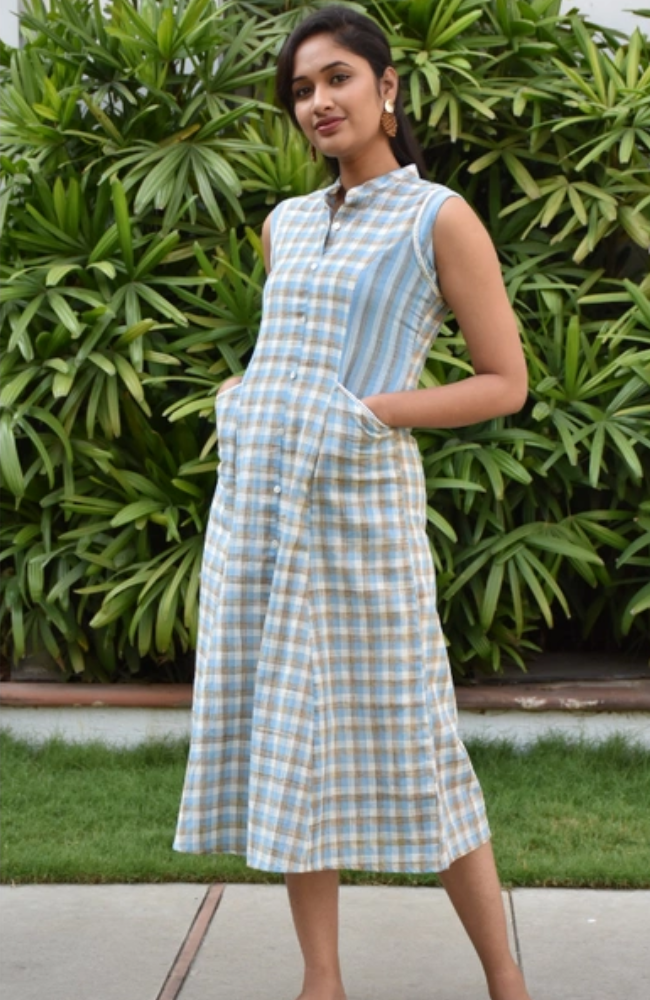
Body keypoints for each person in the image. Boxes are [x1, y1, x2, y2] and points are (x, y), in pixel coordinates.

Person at [173, 7, 530, 999]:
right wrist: (244, 397)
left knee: (420, 743)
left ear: (387, 88)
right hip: (259, 517)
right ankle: (319, 981)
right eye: (299, 89)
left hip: (363, 517)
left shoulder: (436, 217)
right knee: (294, 743)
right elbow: (282, 353)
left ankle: (506, 979)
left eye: (335, 79)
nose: (317, 102)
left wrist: (367, 410)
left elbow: (502, 382)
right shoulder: (284, 224)